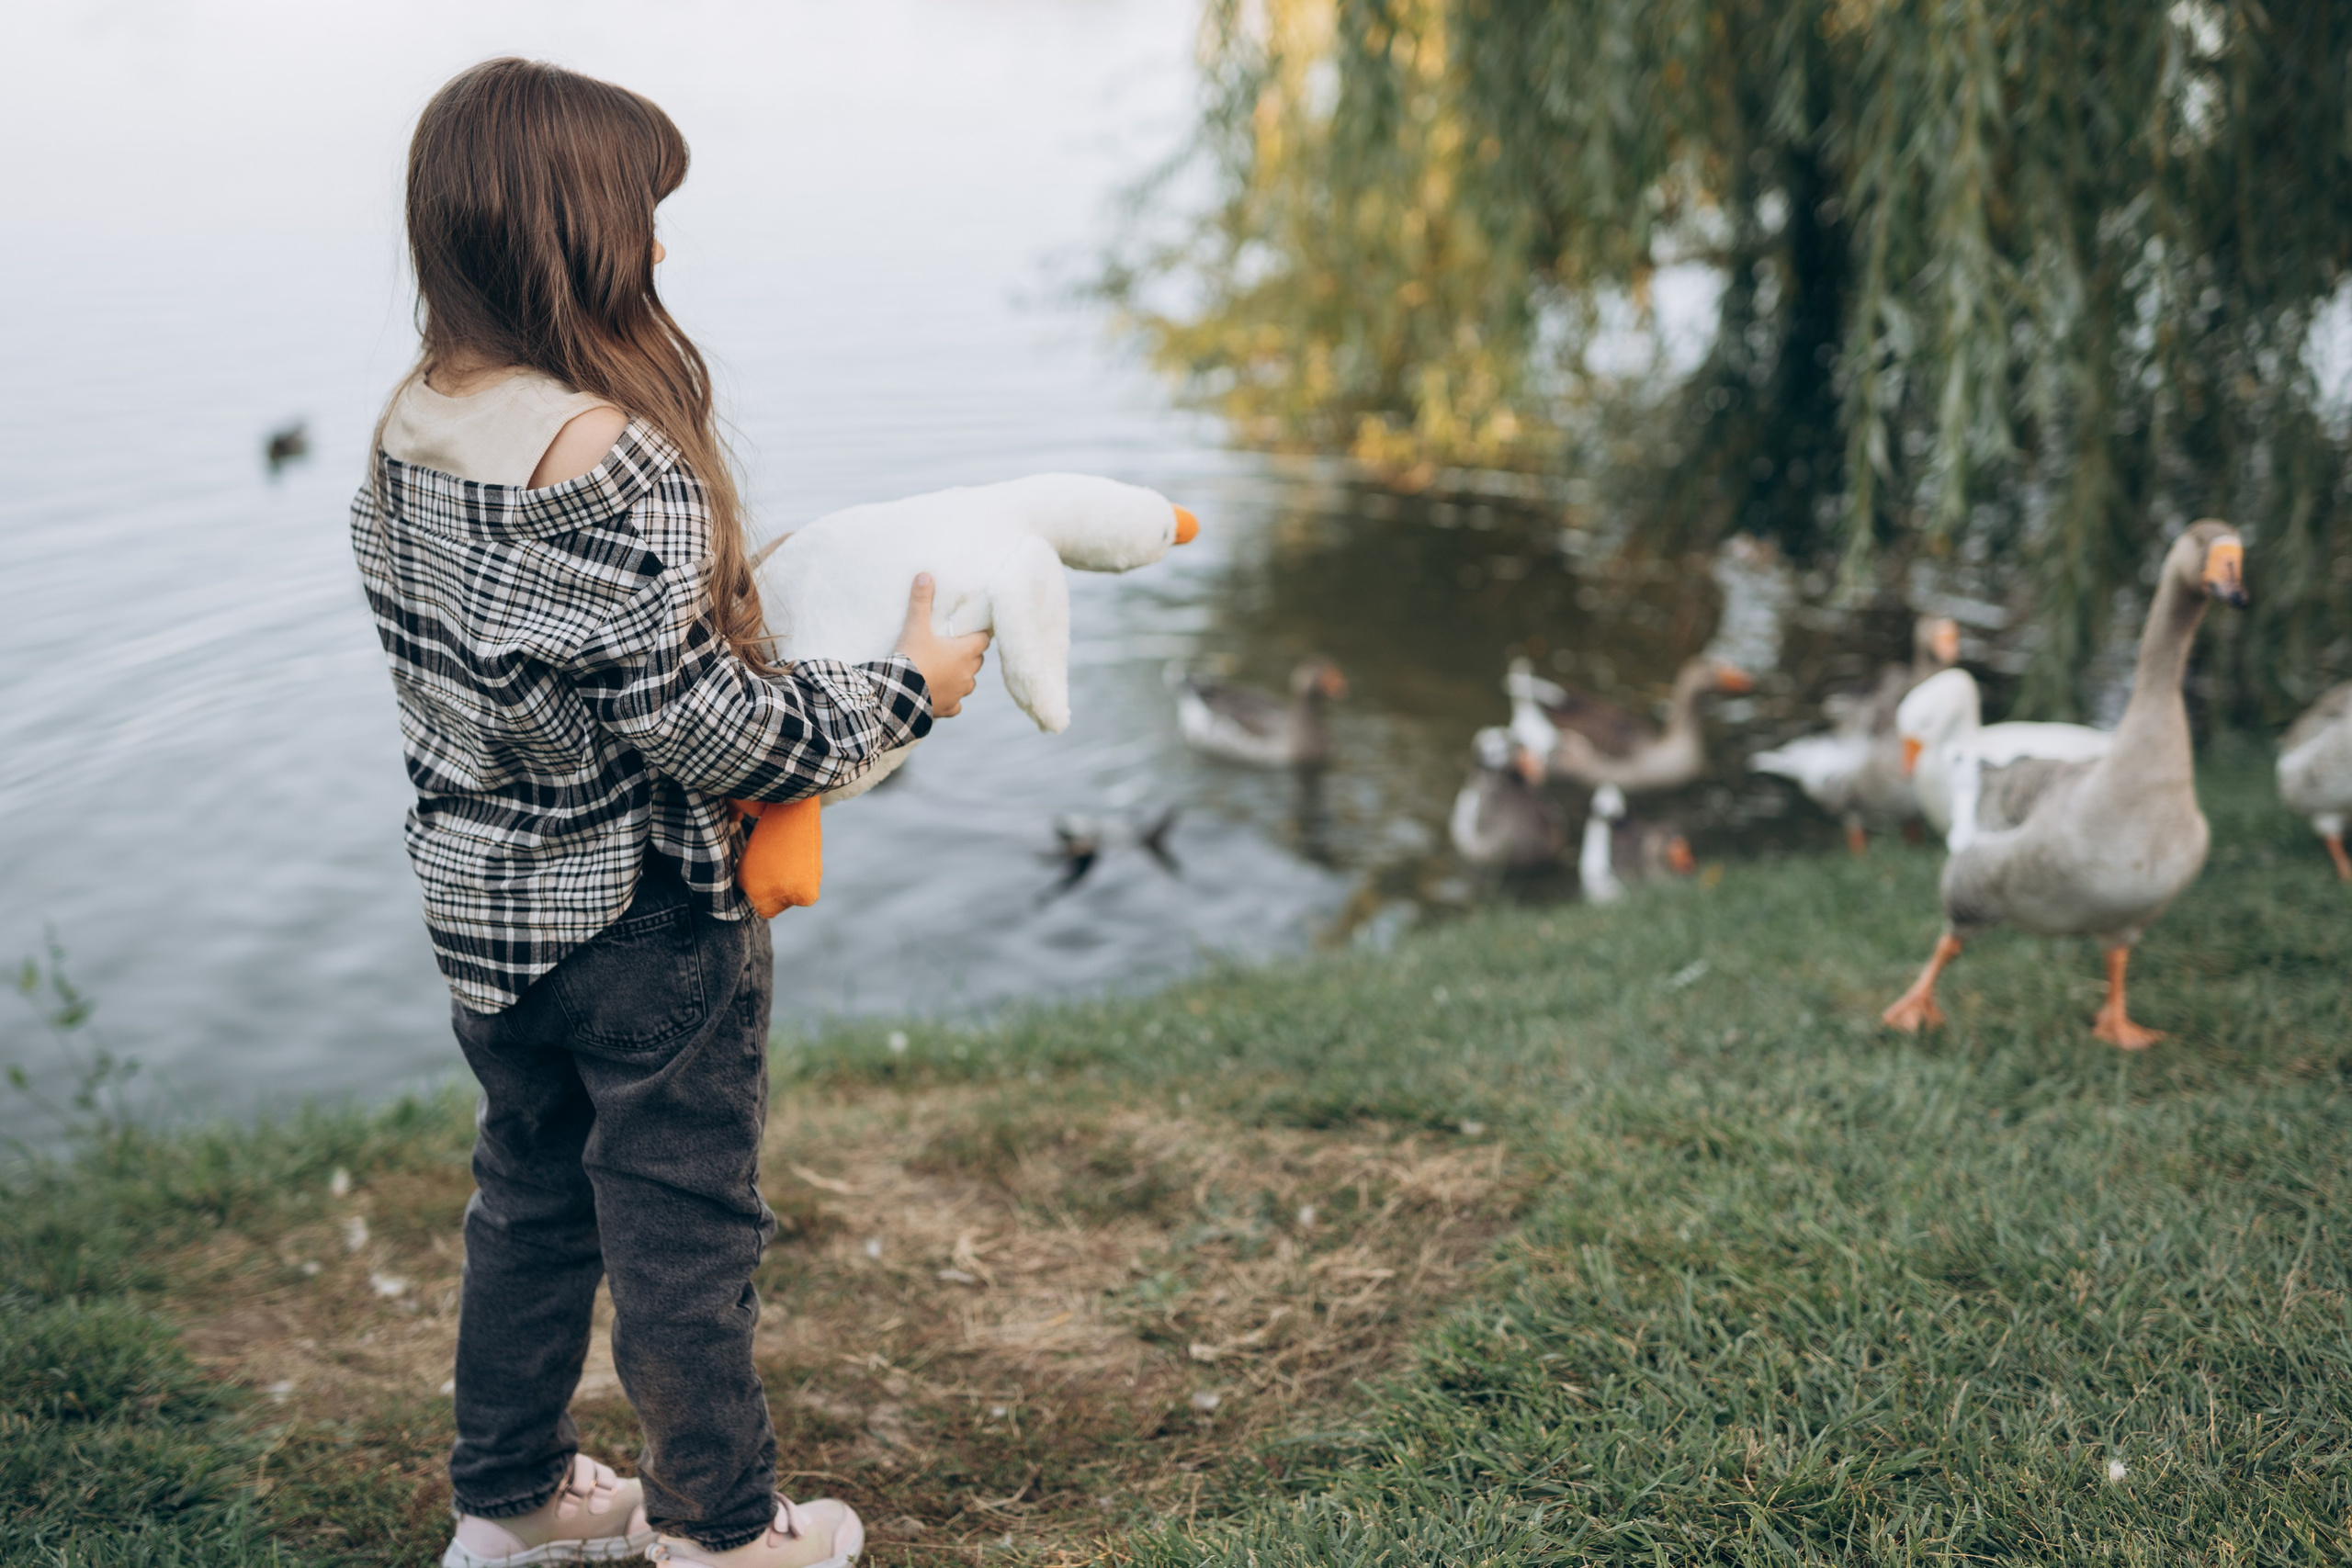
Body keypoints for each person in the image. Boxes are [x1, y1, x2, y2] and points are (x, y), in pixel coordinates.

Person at [349, 57, 987, 1568]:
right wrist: (907, 690)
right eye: (642, 209)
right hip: (645, 922)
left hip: (485, 915)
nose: (658, 240)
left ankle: (510, 1500)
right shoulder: (608, 451)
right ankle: (718, 1530)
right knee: (683, 1228)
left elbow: (542, 662)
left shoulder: (410, 423)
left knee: (528, 1201)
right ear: (573, 228)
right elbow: (716, 733)